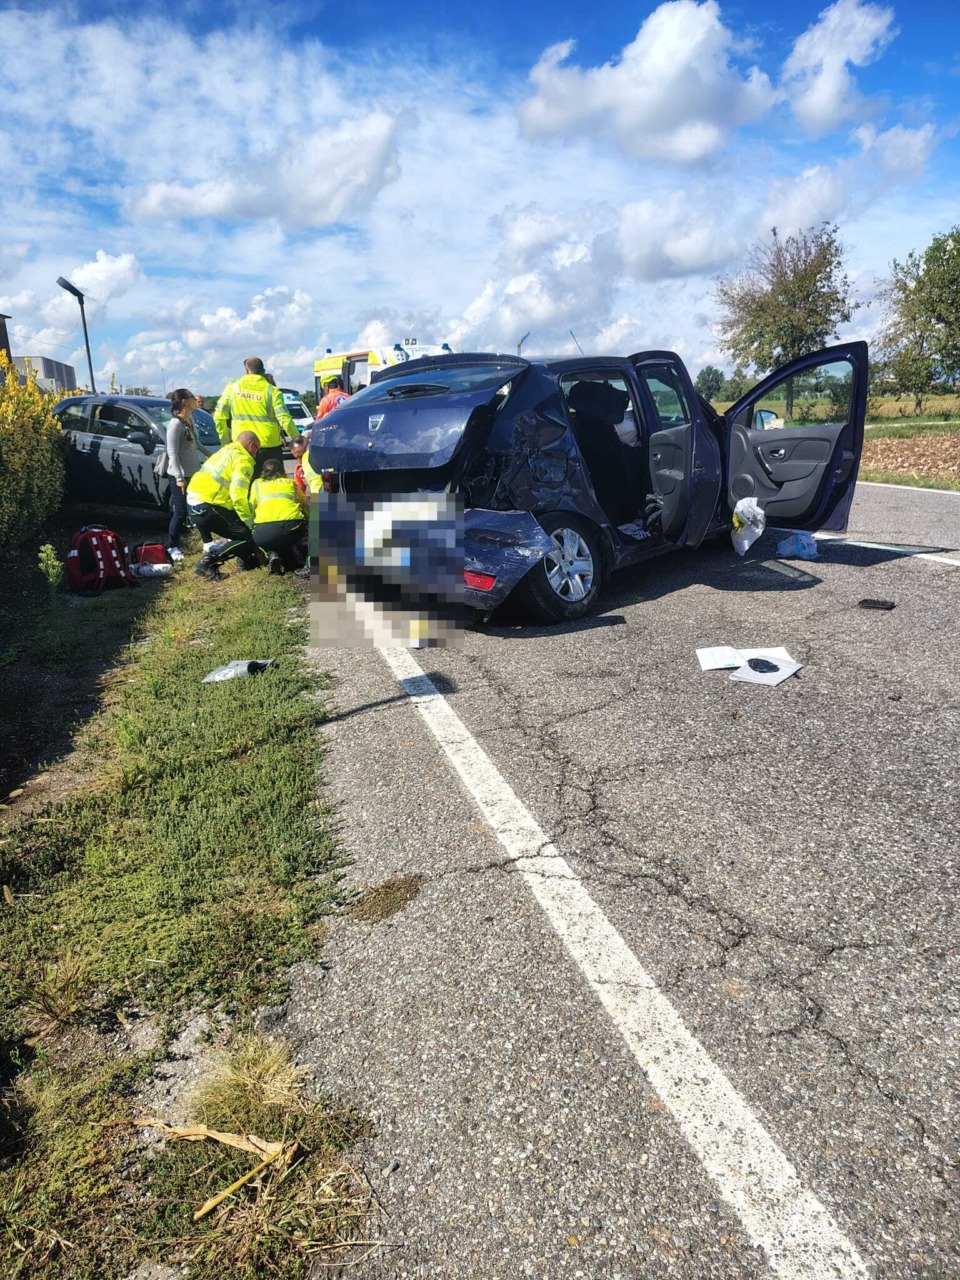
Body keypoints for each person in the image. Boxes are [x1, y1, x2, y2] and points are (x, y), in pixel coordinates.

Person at [186, 431, 261, 580]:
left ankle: (244, 562)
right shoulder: (244, 460)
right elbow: (238, 497)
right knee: (247, 535)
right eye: (258, 449)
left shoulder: (227, 450)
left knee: (237, 530)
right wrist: (250, 523)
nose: (257, 454)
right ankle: (207, 562)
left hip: (193, 501)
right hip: (208, 504)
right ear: (251, 446)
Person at [213, 356, 295, 478]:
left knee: (244, 487)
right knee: (274, 487)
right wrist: (297, 440)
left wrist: (225, 443)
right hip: (269, 447)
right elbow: (285, 419)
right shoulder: (272, 391)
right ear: (263, 371)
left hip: (242, 446)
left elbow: (219, 416)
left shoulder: (232, 387)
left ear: (246, 371)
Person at [165, 388, 211, 561]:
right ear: (184, 401)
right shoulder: (175, 424)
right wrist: (179, 477)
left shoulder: (189, 419)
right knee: (181, 513)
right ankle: (172, 546)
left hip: (194, 473)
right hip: (180, 476)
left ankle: (207, 542)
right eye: (192, 397)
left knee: (199, 508)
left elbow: (196, 443)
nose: (195, 399)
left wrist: (211, 455)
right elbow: (172, 453)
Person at [250, 458, 308, 574]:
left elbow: (251, 508)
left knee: (272, 540)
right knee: (292, 540)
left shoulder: (256, 484)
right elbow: (305, 505)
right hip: (291, 527)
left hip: (263, 532)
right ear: (282, 471)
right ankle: (294, 559)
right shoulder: (290, 483)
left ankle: (272, 554)